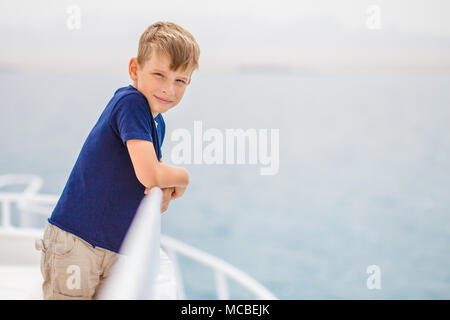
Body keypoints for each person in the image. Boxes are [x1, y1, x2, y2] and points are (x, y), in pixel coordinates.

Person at [36, 21, 200, 299]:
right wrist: (183, 178)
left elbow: (152, 180)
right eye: (159, 74)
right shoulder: (131, 102)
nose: (169, 89)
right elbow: (150, 174)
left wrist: (165, 186)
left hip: (111, 246)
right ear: (135, 69)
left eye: (180, 80)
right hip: (78, 242)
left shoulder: (156, 123)